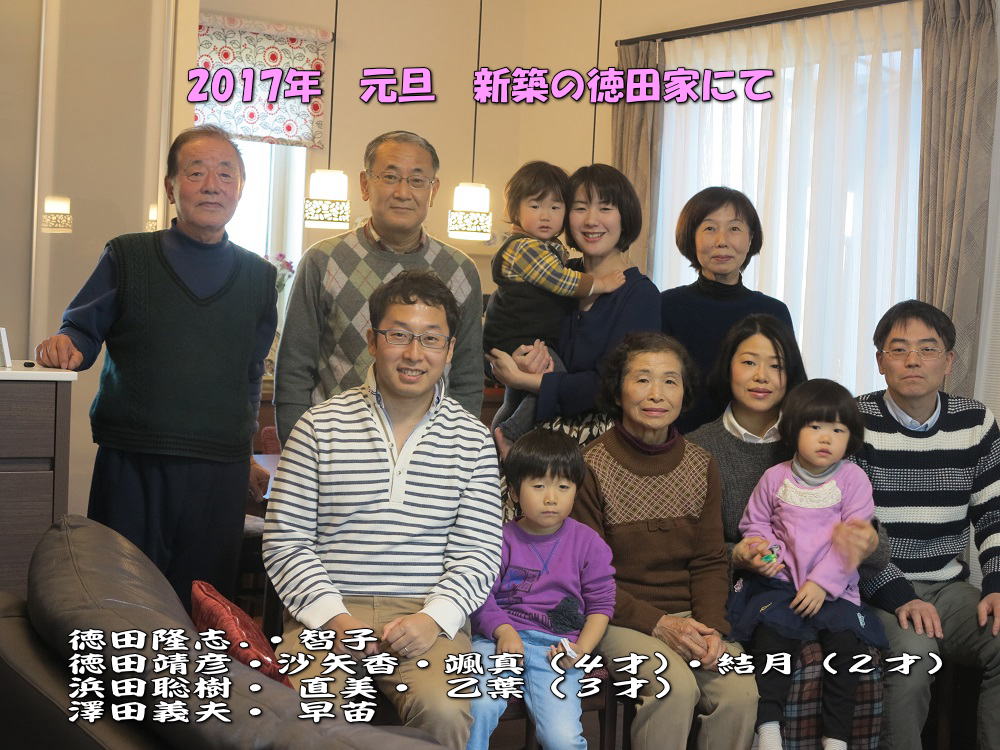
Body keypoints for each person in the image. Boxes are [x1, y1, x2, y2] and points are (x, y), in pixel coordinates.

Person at [34, 124, 277, 610]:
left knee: (205, 604)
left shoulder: (259, 276)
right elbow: (81, 329)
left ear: (241, 188)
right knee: (120, 598)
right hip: (134, 460)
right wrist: (66, 344)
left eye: (225, 173)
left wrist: (247, 451)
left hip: (219, 470)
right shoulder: (128, 255)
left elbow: (250, 373)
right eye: (196, 172)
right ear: (171, 187)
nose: (212, 185)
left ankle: (193, 667)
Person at [264, 270, 502, 750]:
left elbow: (479, 552)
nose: (414, 354)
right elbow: (285, 541)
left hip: (424, 615)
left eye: (431, 339)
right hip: (329, 613)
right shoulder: (319, 425)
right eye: (399, 335)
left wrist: (433, 618)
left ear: (450, 350)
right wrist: (335, 618)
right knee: (309, 717)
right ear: (373, 341)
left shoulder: (472, 438)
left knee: (446, 713)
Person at [573, 331, 757, 750]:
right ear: (617, 391)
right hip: (617, 617)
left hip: (691, 615)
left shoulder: (700, 464)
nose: (656, 393)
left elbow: (710, 560)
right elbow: (588, 579)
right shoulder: (589, 465)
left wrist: (711, 630)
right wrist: (659, 623)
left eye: (670, 381)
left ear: (684, 393)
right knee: (672, 686)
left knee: (740, 693)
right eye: (642, 379)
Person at [853, 300, 1000, 750]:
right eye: (898, 349)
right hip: (877, 590)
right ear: (880, 361)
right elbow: (852, 532)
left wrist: (996, 585)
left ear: (949, 361)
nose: (913, 360)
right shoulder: (852, 422)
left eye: (927, 349)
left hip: (949, 589)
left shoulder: (975, 422)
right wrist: (900, 595)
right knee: (914, 659)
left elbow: (993, 514)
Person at [274, 130, 484, 443]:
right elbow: (294, 370)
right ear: (364, 184)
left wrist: (458, 448)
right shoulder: (322, 261)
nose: (403, 192)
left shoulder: (460, 271)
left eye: (417, 180)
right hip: (336, 446)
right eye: (389, 177)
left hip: (430, 449)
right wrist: (299, 450)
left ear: (433, 190)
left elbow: (467, 376)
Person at [727, 379, 888, 750]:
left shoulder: (853, 479)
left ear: (851, 437)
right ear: (793, 429)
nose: (826, 438)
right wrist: (765, 552)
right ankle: (768, 728)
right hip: (781, 585)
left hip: (834, 589)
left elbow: (855, 540)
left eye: (838, 430)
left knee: (845, 647)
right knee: (770, 639)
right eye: (815, 427)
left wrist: (821, 583)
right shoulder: (776, 477)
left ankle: (837, 737)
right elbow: (755, 524)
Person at [487, 164, 659, 443]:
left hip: (600, 446)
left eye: (605, 208)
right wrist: (515, 361)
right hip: (531, 445)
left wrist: (524, 380)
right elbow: (500, 331)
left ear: (625, 217)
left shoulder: (640, 295)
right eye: (580, 208)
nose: (591, 220)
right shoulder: (555, 275)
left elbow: (615, 384)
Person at [467, 428, 615, 750]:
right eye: (538, 486)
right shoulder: (499, 539)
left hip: (557, 649)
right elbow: (479, 596)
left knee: (562, 738)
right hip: (498, 642)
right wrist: (504, 631)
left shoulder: (588, 543)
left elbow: (601, 607)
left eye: (563, 487)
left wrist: (580, 650)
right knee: (478, 706)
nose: (551, 498)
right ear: (514, 491)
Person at [661, 187, 794, 433]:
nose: (721, 241)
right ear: (691, 238)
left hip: (755, 441)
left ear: (750, 238)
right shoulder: (666, 305)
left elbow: (789, 389)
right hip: (678, 441)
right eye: (710, 228)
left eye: (734, 228)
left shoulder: (773, 312)